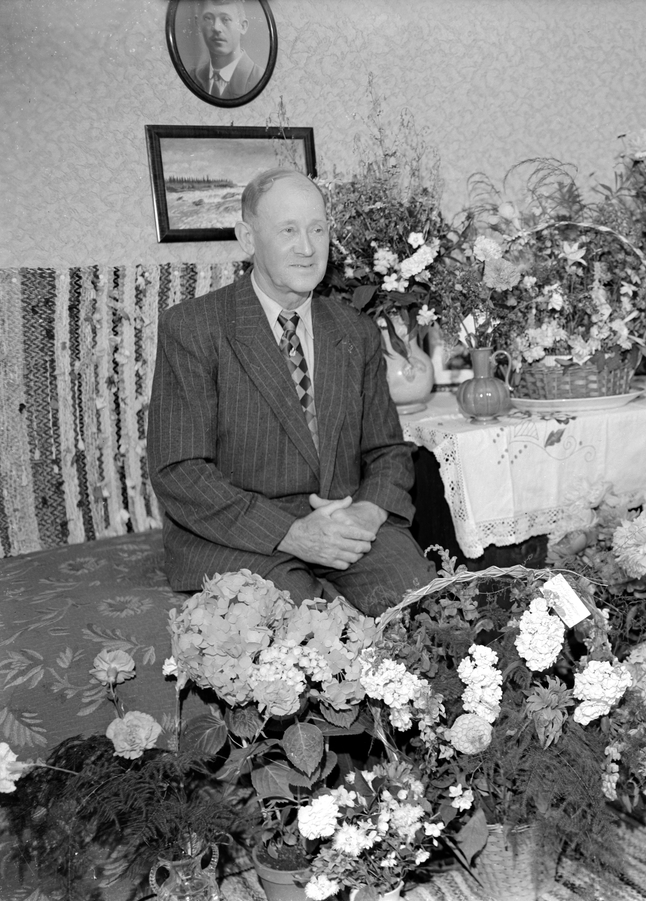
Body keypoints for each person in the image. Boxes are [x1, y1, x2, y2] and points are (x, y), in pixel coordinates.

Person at [147, 168, 435, 615]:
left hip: (344, 523)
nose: (307, 247)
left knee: (426, 607)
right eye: (288, 231)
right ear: (247, 238)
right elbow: (179, 471)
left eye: (317, 229)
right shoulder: (193, 327)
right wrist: (291, 533)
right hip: (237, 534)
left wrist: (368, 512)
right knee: (310, 631)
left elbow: (388, 452)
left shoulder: (355, 331)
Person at [191, 0, 261, 100]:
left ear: (243, 26)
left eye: (226, 19)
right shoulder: (191, 78)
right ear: (198, 24)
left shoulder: (259, 79)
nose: (216, 28)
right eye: (208, 18)